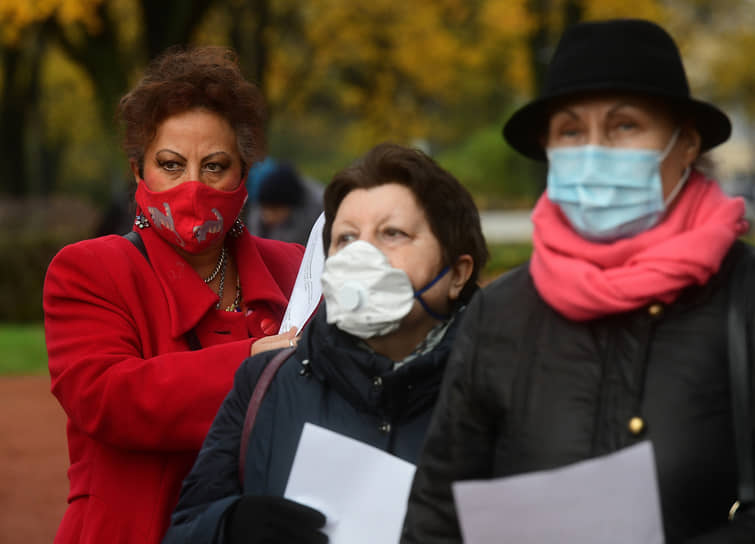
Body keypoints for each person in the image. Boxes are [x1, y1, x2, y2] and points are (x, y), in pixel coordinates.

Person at [402, 18, 755, 544]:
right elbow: (440, 508)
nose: (594, 151)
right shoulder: (499, 312)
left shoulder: (742, 294)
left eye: (625, 126)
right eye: (571, 131)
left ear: (685, 144)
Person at [162, 142, 489, 543]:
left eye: (392, 233)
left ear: (457, 273)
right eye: (346, 238)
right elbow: (183, 530)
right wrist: (229, 526)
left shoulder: (501, 394)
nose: (363, 255)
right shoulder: (266, 384)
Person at [43, 47, 305, 544]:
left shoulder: (291, 266)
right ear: (138, 171)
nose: (192, 187)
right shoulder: (89, 269)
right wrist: (252, 360)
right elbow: (108, 398)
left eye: (214, 166)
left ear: (244, 174)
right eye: (170, 164)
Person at [246, 160, 324, 246]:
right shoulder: (259, 206)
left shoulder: (317, 206)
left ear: (290, 206)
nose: (267, 216)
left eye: (274, 210)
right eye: (265, 208)